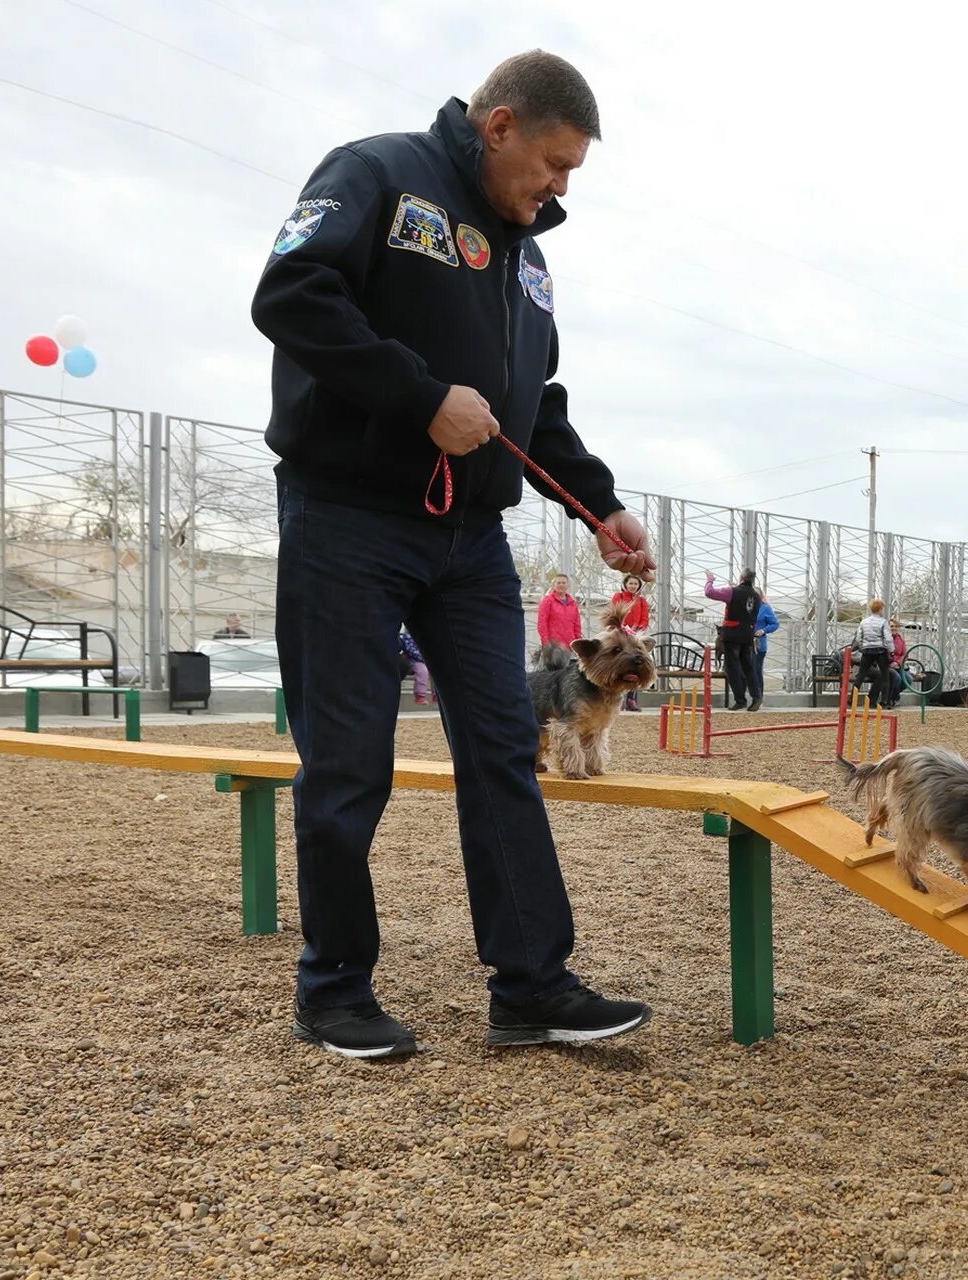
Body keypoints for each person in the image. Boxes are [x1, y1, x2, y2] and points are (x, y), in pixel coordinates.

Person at [253, 50, 658, 1058]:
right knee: (349, 763)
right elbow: (291, 295)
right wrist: (419, 396)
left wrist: (598, 505)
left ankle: (530, 984)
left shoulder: (529, 254)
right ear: (501, 124)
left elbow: (536, 406)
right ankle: (334, 986)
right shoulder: (378, 176)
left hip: (471, 537)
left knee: (503, 748)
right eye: (555, 164)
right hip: (346, 513)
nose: (560, 188)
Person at [704, 569, 761, 711]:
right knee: (748, 667)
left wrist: (710, 579)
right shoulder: (756, 596)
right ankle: (756, 696)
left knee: (731, 668)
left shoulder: (732, 591)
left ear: (741, 577)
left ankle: (740, 700)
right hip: (748, 634)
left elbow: (709, 592)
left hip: (732, 634)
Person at [609, 573, 650, 710]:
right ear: (625, 584)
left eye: (635, 584)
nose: (633, 586)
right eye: (630, 583)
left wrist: (637, 630)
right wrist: (623, 627)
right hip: (620, 635)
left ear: (639, 586)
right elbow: (614, 614)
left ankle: (632, 699)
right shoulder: (618, 597)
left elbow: (645, 619)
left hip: (635, 636)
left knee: (636, 666)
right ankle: (616, 698)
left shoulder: (642, 600)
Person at [852, 599, 893, 703]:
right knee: (885, 676)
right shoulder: (883, 622)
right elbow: (888, 638)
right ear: (880, 609)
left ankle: (852, 699)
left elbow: (858, 638)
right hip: (880, 651)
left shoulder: (864, 622)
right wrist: (891, 650)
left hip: (867, 651)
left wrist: (862, 647)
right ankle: (884, 701)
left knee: (861, 675)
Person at [750, 593, 780, 710]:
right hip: (745, 643)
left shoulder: (765, 608)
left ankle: (759, 697)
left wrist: (764, 630)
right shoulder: (747, 606)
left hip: (759, 645)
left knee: (756, 671)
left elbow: (775, 624)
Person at [537, 573, 582, 650]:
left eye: (564, 583)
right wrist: (546, 643)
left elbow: (577, 625)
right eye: (558, 583)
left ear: (567, 585)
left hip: (569, 646)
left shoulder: (573, 603)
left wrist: (578, 642)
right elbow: (542, 623)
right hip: (553, 646)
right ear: (554, 585)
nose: (561, 585)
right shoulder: (548, 601)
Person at [398, 628, 432, 704]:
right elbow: (410, 647)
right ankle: (420, 695)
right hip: (413, 658)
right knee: (422, 671)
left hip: (425, 658)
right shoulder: (411, 633)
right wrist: (422, 658)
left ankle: (437, 696)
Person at [884, 618, 908, 709]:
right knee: (897, 678)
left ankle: (894, 695)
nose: (894, 628)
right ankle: (893, 698)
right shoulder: (885, 639)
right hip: (887, 665)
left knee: (908, 679)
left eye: (896, 626)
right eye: (892, 626)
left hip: (898, 665)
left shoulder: (901, 640)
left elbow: (904, 654)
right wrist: (890, 663)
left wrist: (897, 662)